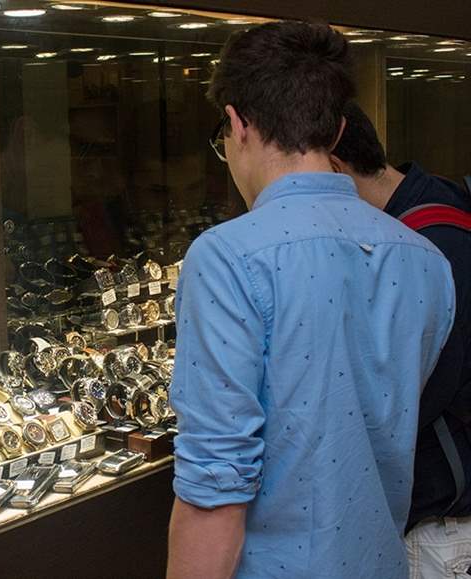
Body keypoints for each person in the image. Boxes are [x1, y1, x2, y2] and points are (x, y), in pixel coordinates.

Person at [166, 21, 456, 579]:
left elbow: (216, 491)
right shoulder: (424, 259)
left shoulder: (228, 256)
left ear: (237, 124)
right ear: (340, 127)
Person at [331, 101, 471, 578]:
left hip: (441, 527)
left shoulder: (425, 246)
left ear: (335, 167)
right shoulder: (437, 201)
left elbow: (407, 400)